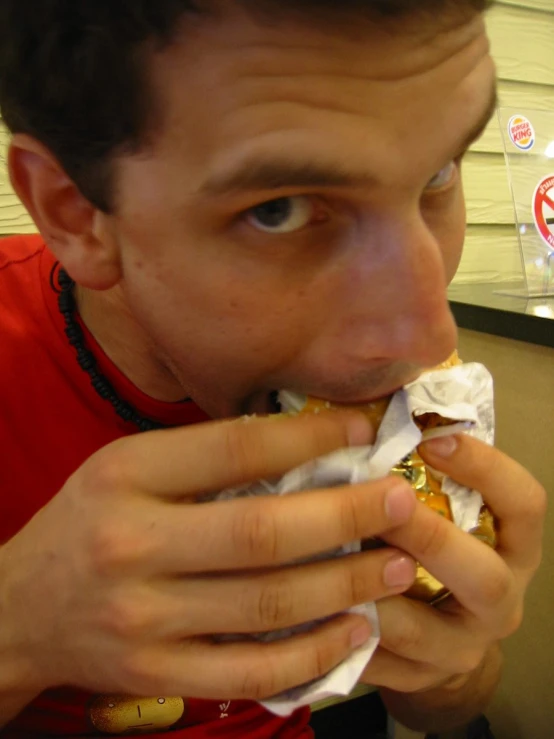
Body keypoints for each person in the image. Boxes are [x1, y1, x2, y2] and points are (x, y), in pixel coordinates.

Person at [0, 0, 546, 737]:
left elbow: (446, 708)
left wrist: (451, 653)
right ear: (74, 212)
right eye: (281, 208)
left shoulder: (417, 417)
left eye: (439, 171)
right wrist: (19, 627)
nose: (426, 334)